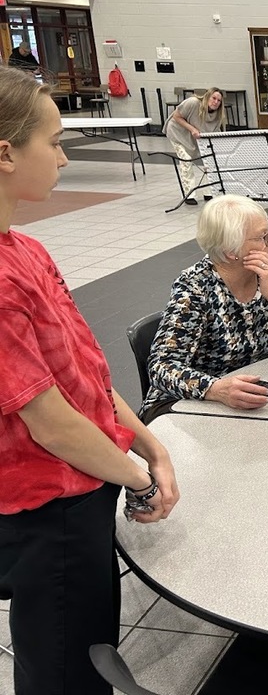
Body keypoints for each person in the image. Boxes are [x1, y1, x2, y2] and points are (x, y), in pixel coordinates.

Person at [0, 66, 180, 694]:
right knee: (66, 671)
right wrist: (133, 473)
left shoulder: (27, 250)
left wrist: (151, 445)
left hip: (89, 485)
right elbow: (47, 420)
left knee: (92, 646)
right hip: (49, 511)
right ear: (5, 152)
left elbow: (86, 378)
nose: (64, 158)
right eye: (52, 142)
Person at [141, 194, 268, 421]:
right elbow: (161, 367)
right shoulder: (196, 287)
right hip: (192, 406)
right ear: (230, 252)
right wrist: (215, 389)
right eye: (263, 236)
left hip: (261, 398)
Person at [162, 87, 227, 204]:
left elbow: (215, 131)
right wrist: (192, 129)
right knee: (186, 160)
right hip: (178, 133)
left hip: (197, 136)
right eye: (214, 98)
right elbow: (176, 116)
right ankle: (189, 194)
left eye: (219, 100)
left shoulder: (218, 115)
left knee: (210, 161)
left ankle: (209, 192)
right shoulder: (193, 103)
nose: (216, 102)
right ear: (207, 97)